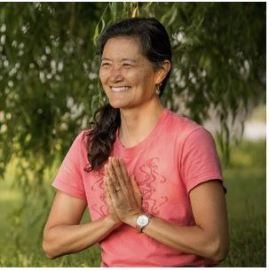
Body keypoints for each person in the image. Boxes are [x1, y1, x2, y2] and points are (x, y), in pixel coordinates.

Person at [42, 17, 229, 267]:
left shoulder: (190, 141)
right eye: (106, 64)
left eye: (126, 65)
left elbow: (215, 244)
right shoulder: (88, 145)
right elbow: (52, 243)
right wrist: (113, 219)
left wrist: (138, 217)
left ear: (160, 72)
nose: (114, 75)